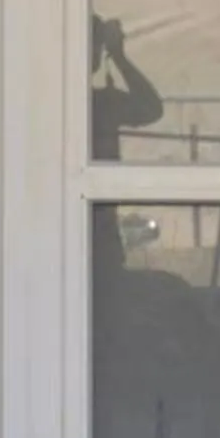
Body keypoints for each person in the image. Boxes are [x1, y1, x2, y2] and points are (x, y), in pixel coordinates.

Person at [89, 16, 163, 274]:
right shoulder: (101, 105)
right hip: (97, 237)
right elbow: (150, 107)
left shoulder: (100, 104)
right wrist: (119, 56)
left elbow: (151, 109)